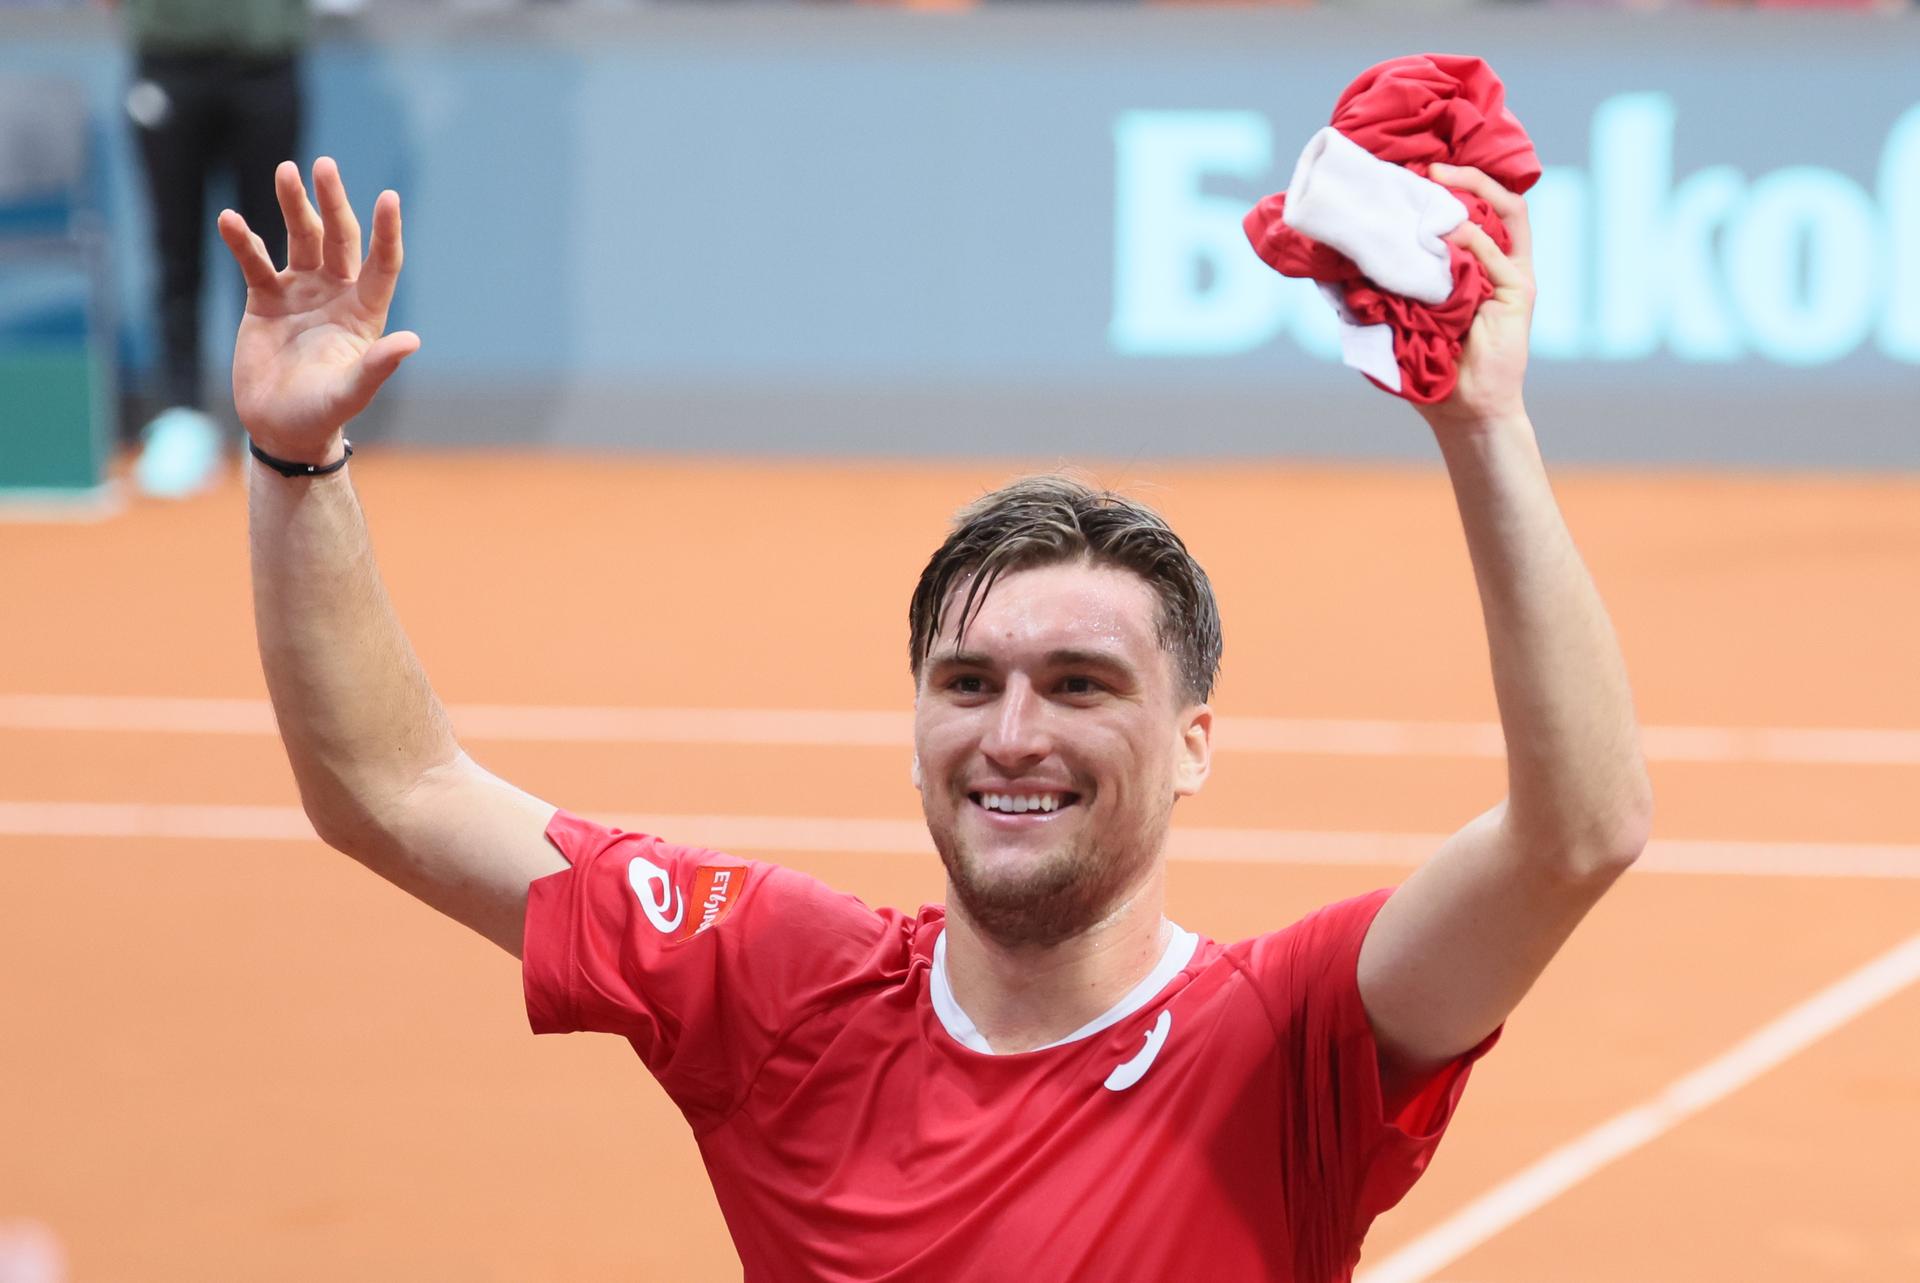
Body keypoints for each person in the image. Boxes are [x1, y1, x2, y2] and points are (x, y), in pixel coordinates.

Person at [217, 157, 1652, 1280]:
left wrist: (1484, 426)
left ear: (1194, 742)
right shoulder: (776, 983)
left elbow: (1577, 834)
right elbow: (394, 788)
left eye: (1081, 683)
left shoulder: (1290, 1045)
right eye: (968, 682)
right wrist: (296, 458)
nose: (1013, 731)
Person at [119, 0, 308, 498]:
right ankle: (181, 415)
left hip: (266, 62)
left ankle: (274, 421)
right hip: (168, 60)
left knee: (272, 258)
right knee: (174, 252)